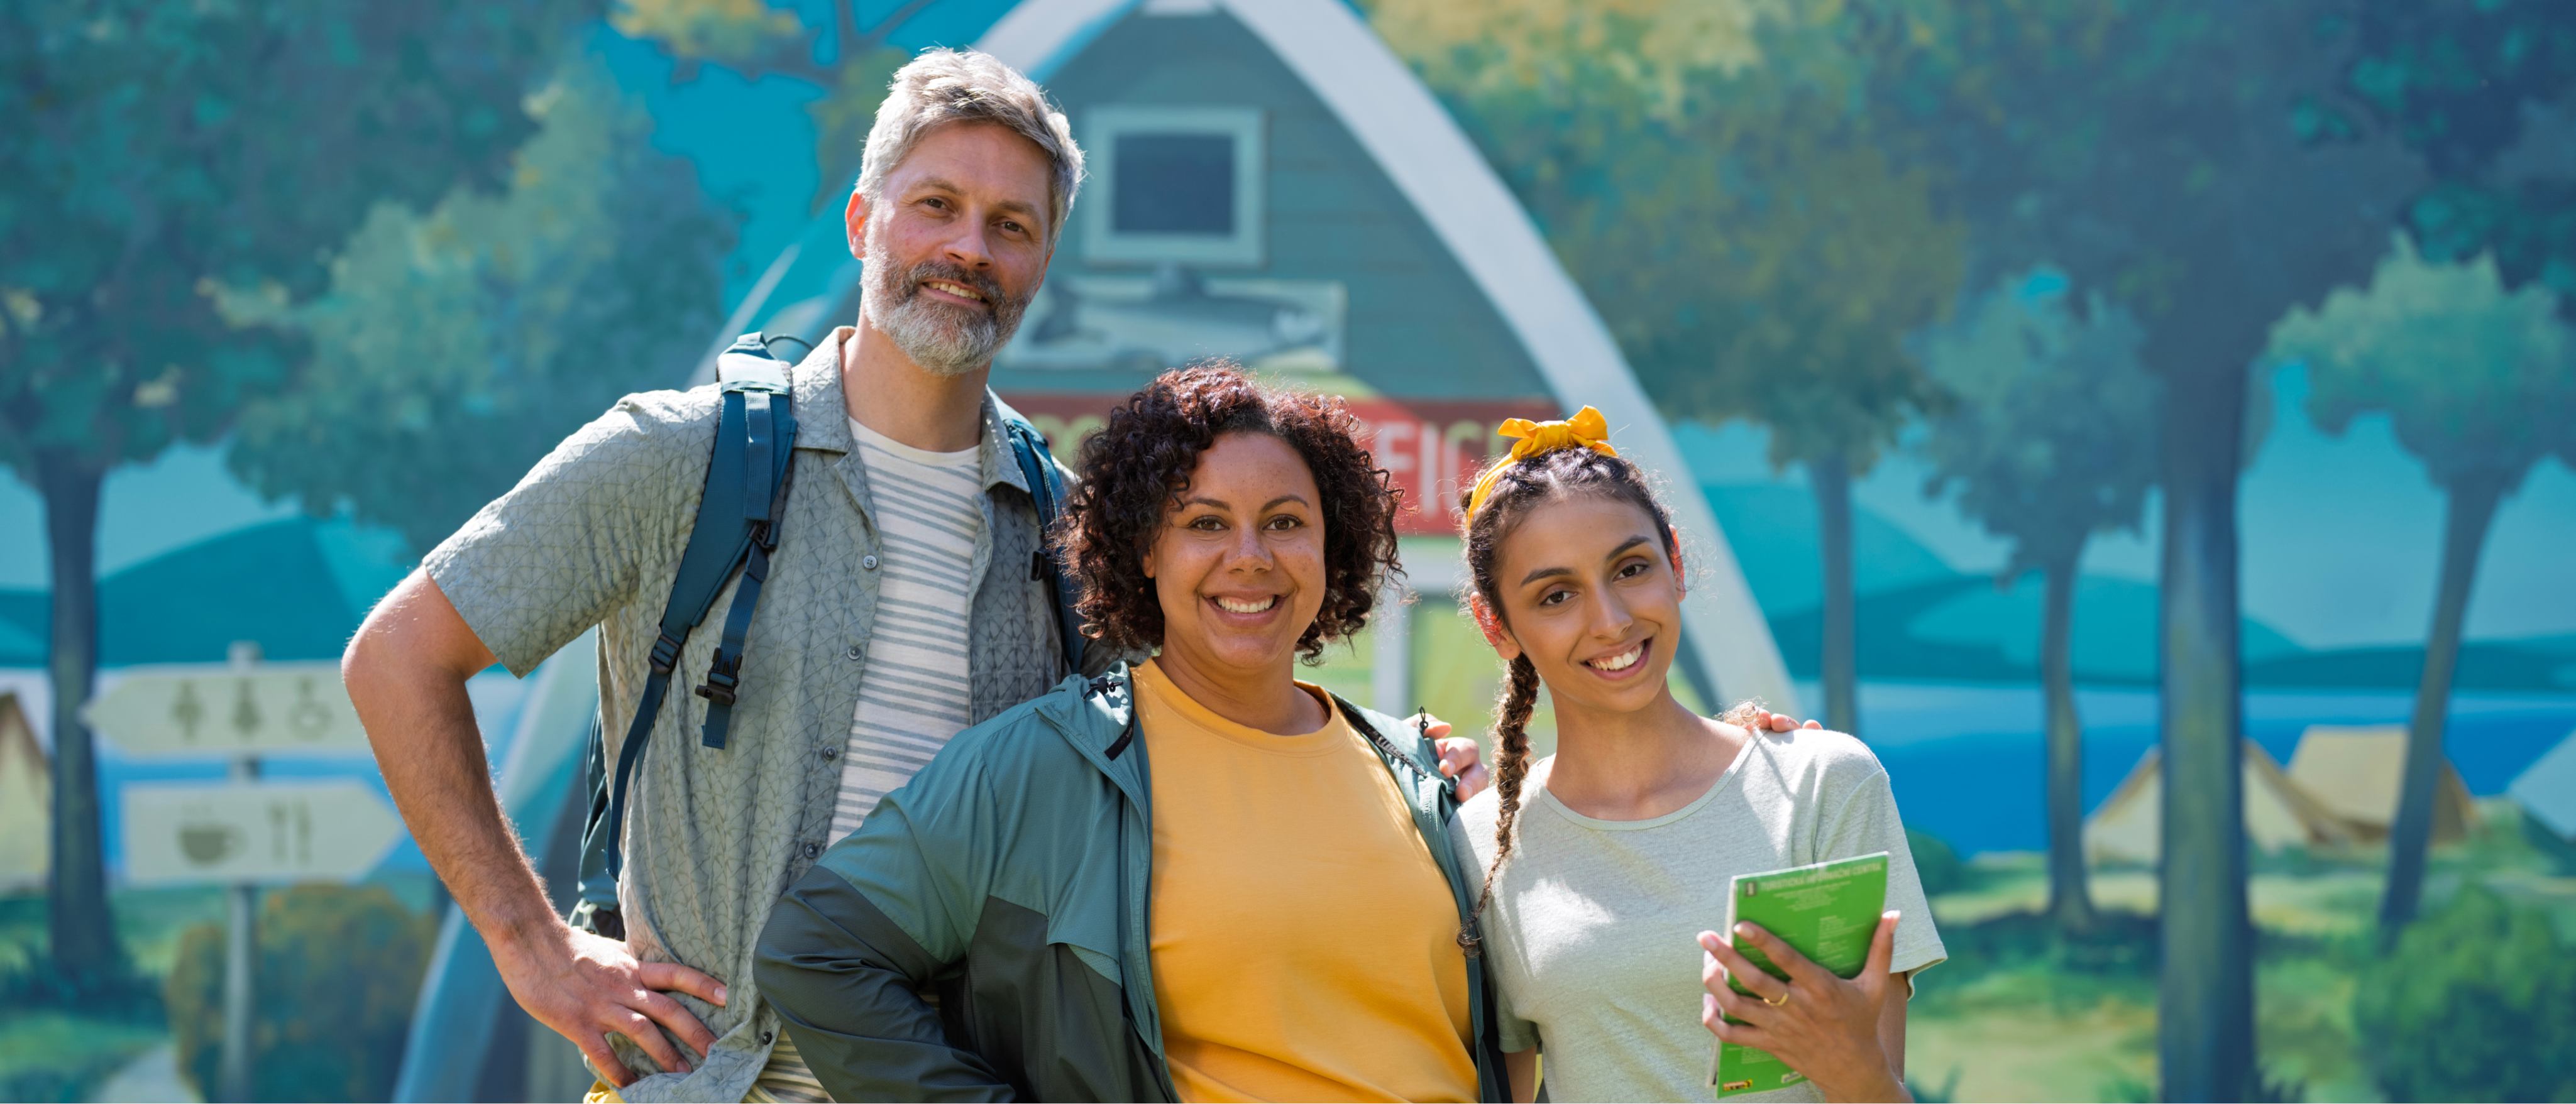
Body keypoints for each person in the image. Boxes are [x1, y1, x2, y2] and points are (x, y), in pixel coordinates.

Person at [343, 48, 1490, 1104]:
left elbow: (1195, 720)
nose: (969, 250)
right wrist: (532, 946)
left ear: (1041, 261)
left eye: (1011, 225)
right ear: (861, 219)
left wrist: (1392, 756)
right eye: (937, 205)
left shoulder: (1063, 530)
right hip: (699, 1081)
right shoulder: (676, 460)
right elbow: (398, 658)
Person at [754, 366, 1511, 1103]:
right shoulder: (1044, 764)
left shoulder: (1415, 768)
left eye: (1284, 521)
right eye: (1205, 522)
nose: (1249, 556)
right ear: (1146, 550)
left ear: (1328, 541)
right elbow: (815, 951)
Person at [1448, 409, 1947, 1103]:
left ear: (1675, 562)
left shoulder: (1824, 783)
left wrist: (1845, 1060)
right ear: (1495, 624)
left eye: (1631, 568)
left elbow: (1881, 1082)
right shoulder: (1483, 844)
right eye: (1556, 594)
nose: (1613, 619)